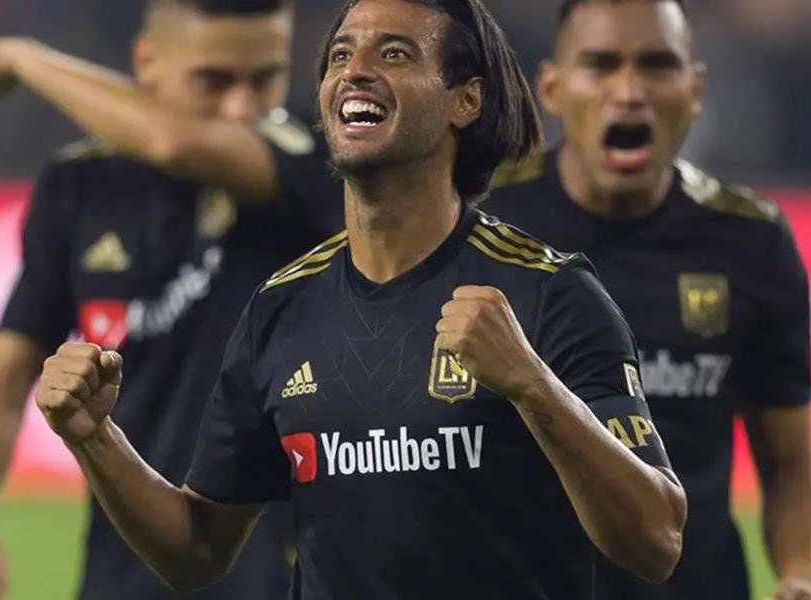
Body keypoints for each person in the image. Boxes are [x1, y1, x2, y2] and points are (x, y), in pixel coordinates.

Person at [35, 1, 687, 598]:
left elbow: (656, 540)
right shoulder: (280, 309)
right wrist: (95, 439)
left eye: (395, 53)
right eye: (341, 54)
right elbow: (196, 551)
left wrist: (532, 385)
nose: (356, 70)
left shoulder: (549, 293)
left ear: (465, 100)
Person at [0, 1, 341, 599]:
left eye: (264, 77)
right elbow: (7, 372)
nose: (242, 106)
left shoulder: (318, 160)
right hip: (121, 575)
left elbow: (176, 143)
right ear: (147, 62)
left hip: (277, 576)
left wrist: (24, 59)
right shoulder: (81, 186)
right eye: (214, 81)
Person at [485, 1, 811, 599]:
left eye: (656, 65)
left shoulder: (751, 241)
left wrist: (802, 574)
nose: (629, 92)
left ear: (694, 90)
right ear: (552, 88)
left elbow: (791, 470)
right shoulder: (486, 221)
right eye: (601, 64)